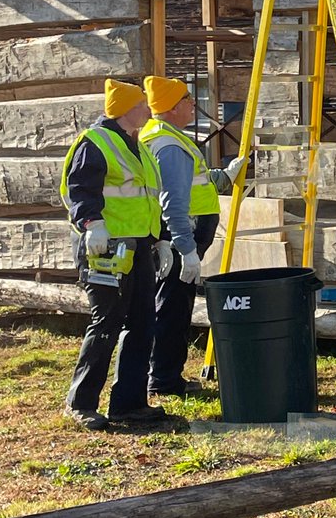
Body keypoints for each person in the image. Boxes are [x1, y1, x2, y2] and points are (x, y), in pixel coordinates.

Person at [60, 79, 166, 431]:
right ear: (126, 109)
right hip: (106, 249)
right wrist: (92, 223)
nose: (148, 110)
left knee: (142, 325)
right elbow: (79, 188)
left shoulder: (139, 146)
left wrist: (162, 239)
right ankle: (81, 403)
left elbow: (149, 199)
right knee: (105, 325)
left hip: (138, 249)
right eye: (142, 105)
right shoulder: (96, 143)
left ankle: (129, 403)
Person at [141, 75, 247, 397]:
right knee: (173, 306)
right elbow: (173, 203)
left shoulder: (168, 138)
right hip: (180, 235)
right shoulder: (170, 146)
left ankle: (162, 375)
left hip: (179, 235)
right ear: (172, 108)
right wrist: (186, 248)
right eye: (187, 100)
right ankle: (164, 380)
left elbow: (192, 182)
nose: (192, 105)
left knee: (170, 303)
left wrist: (223, 177)